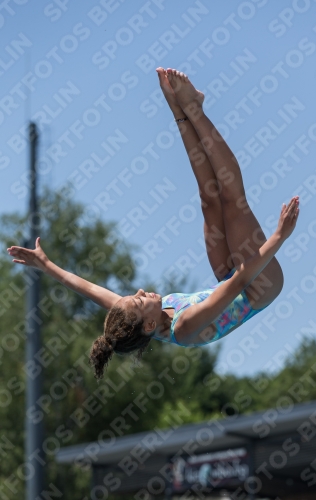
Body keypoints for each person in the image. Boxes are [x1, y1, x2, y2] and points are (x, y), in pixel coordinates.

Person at [7, 69, 299, 379]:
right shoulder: (184, 328)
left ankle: (181, 111)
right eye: (140, 299)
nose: (142, 290)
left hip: (227, 276)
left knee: (209, 199)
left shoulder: (132, 314)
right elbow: (240, 283)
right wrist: (279, 237)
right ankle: (195, 111)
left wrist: (46, 265)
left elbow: (88, 289)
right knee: (232, 201)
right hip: (257, 287)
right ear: (149, 325)